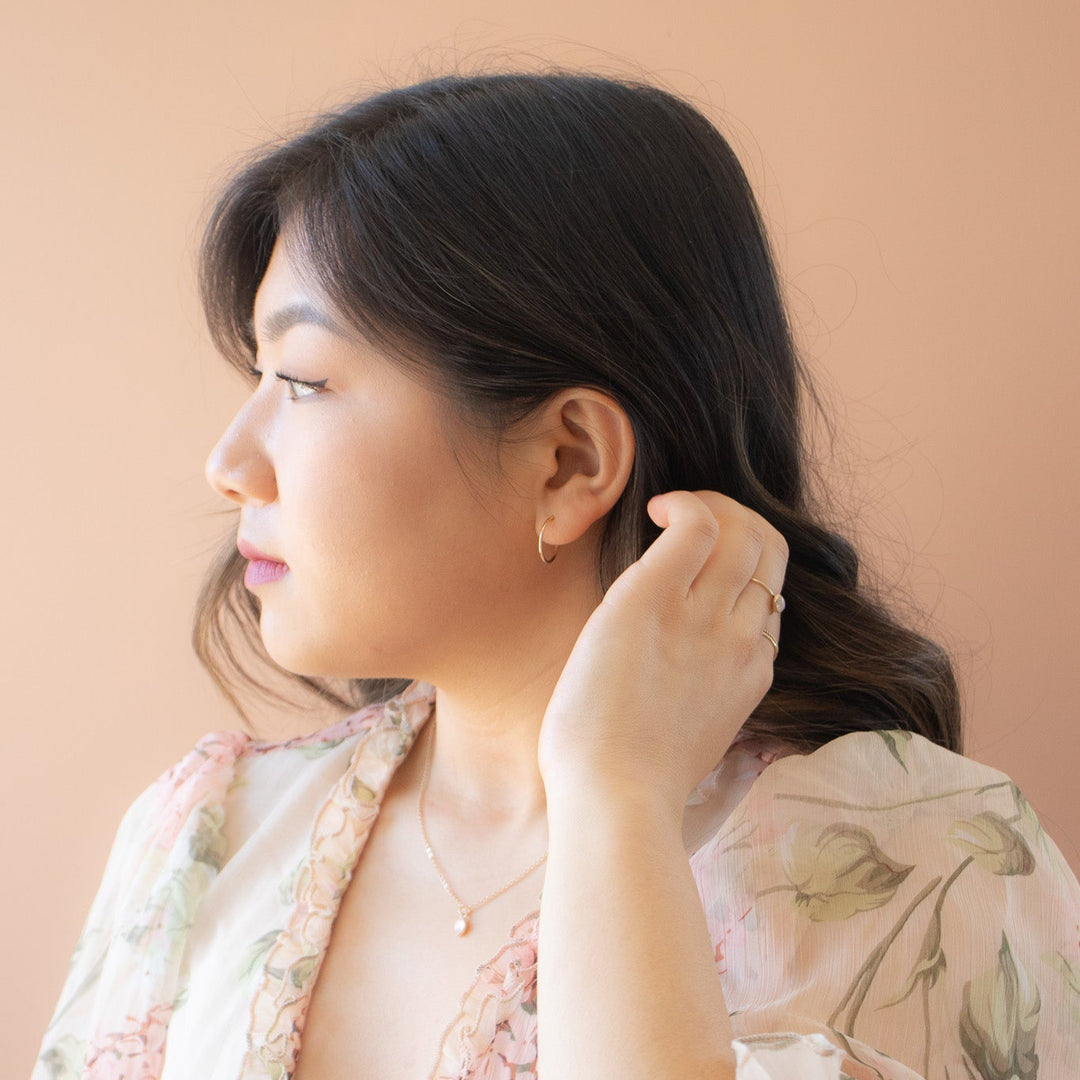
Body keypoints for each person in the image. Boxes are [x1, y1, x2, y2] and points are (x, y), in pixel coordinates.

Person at [32, 69, 1080, 1080]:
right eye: (255, 377)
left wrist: (615, 797)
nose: (228, 463)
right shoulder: (207, 840)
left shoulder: (934, 866)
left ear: (570, 461)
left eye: (302, 383)